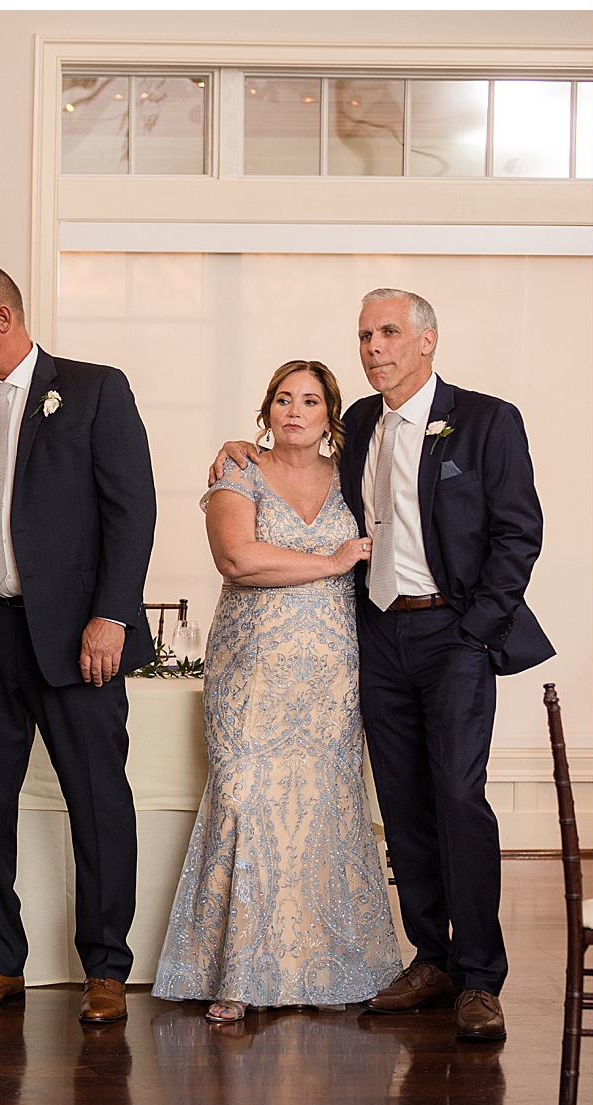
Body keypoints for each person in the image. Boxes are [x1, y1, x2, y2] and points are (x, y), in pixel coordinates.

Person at [210, 289, 553, 1042]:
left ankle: (480, 975)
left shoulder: (488, 419)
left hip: (453, 634)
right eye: (364, 335)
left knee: (459, 797)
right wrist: (241, 445)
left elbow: (518, 532)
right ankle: (430, 957)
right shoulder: (359, 423)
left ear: (427, 340)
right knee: (401, 804)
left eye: (389, 332)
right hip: (376, 638)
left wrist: (478, 631)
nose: (373, 348)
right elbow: (290, 453)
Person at [0, 263, 157, 1025]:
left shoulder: (93, 389)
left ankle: (107, 967)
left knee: (98, 801)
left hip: (78, 634)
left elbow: (133, 511)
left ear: (4, 317)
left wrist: (111, 615)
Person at [154, 360, 401, 1022]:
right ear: (266, 410)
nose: (296, 409)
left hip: (330, 673)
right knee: (243, 799)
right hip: (251, 671)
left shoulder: (353, 477)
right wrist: (329, 562)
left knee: (325, 805)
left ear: (330, 416)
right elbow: (236, 557)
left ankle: (331, 966)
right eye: (284, 399)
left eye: (311, 400)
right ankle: (236, 973)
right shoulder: (238, 470)